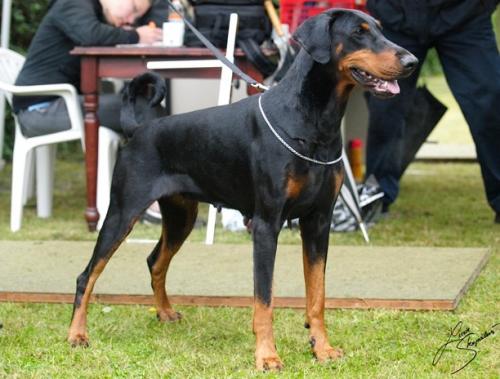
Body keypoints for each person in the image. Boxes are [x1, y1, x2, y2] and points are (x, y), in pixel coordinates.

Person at [364, 0, 500, 223]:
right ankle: (376, 197)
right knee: (385, 108)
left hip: (466, 15)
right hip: (398, 15)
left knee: (490, 103)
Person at [12, 0, 169, 137]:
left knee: (138, 102)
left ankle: (135, 168)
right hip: (39, 110)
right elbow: (91, 35)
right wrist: (137, 36)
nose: (131, 20)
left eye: (136, 18)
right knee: (144, 108)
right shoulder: (72, 3)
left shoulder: (93, 11)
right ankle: (166, 169)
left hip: (56, 104)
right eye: (134, 8)